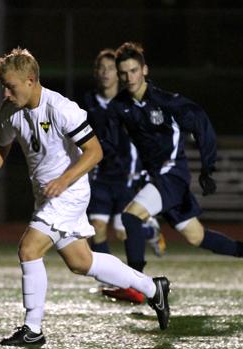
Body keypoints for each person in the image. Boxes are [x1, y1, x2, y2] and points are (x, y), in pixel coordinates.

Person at [0, 47, 171, 346]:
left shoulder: (62, 108)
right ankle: (154, 289)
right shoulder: (9, 110)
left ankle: (33, 328)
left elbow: (95, 151)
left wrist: (64, 181)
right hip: (48, 195)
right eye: (4, 86)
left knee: (28, 249)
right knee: (81, 262)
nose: (6, 93)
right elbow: (2, 146)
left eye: (10, 86)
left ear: (30, 80)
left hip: (70, 191)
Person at [105, 42, 243, 288]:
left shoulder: (165, 101)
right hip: (157, 178)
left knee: (130, 217)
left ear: (145, 70)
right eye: (124, 73)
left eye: (134, 71)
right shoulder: (120, 106)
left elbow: (200, 122)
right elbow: (108, 141)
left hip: (172, 174)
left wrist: (207, 167)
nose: (129, 77)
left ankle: (136, 286)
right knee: (196, 236)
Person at [81, 48, 167, 304]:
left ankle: (149, 231)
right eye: (101, 68)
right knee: (96, 230)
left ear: (118, 75)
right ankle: (115, 281)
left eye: (111, 68)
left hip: (127, 176)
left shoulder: (128, 101)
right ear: (96, 73)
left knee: (122, 232)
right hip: (100, 176)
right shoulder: (88, 101)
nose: (106, 73)